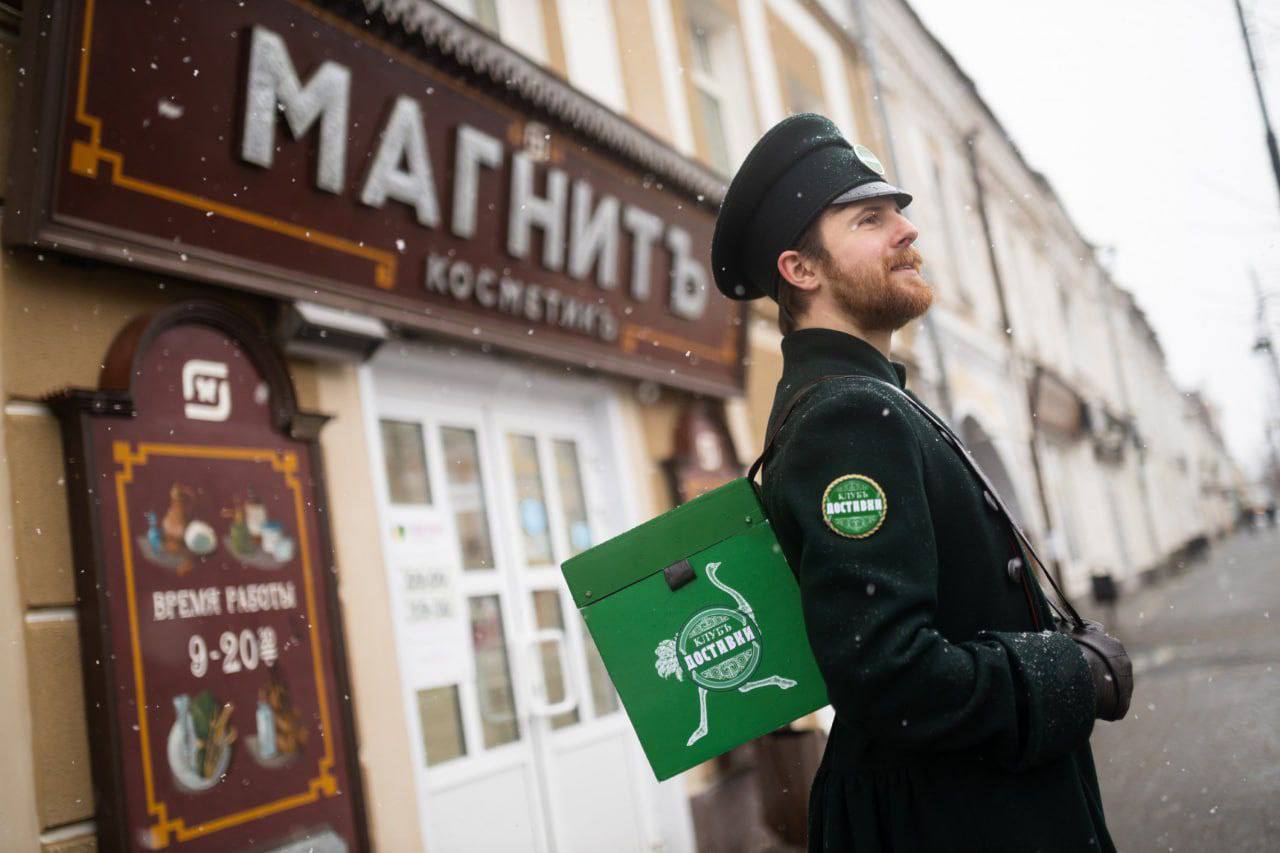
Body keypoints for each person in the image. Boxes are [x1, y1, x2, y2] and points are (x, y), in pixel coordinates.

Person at [711, 113, 1134, 852]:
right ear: (801, 270)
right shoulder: (849, 416)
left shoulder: (869, 401)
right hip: (956, 821)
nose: (907, 232)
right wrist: (1066, 673)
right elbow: (890, 676)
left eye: (899, 214)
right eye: (871, 219)